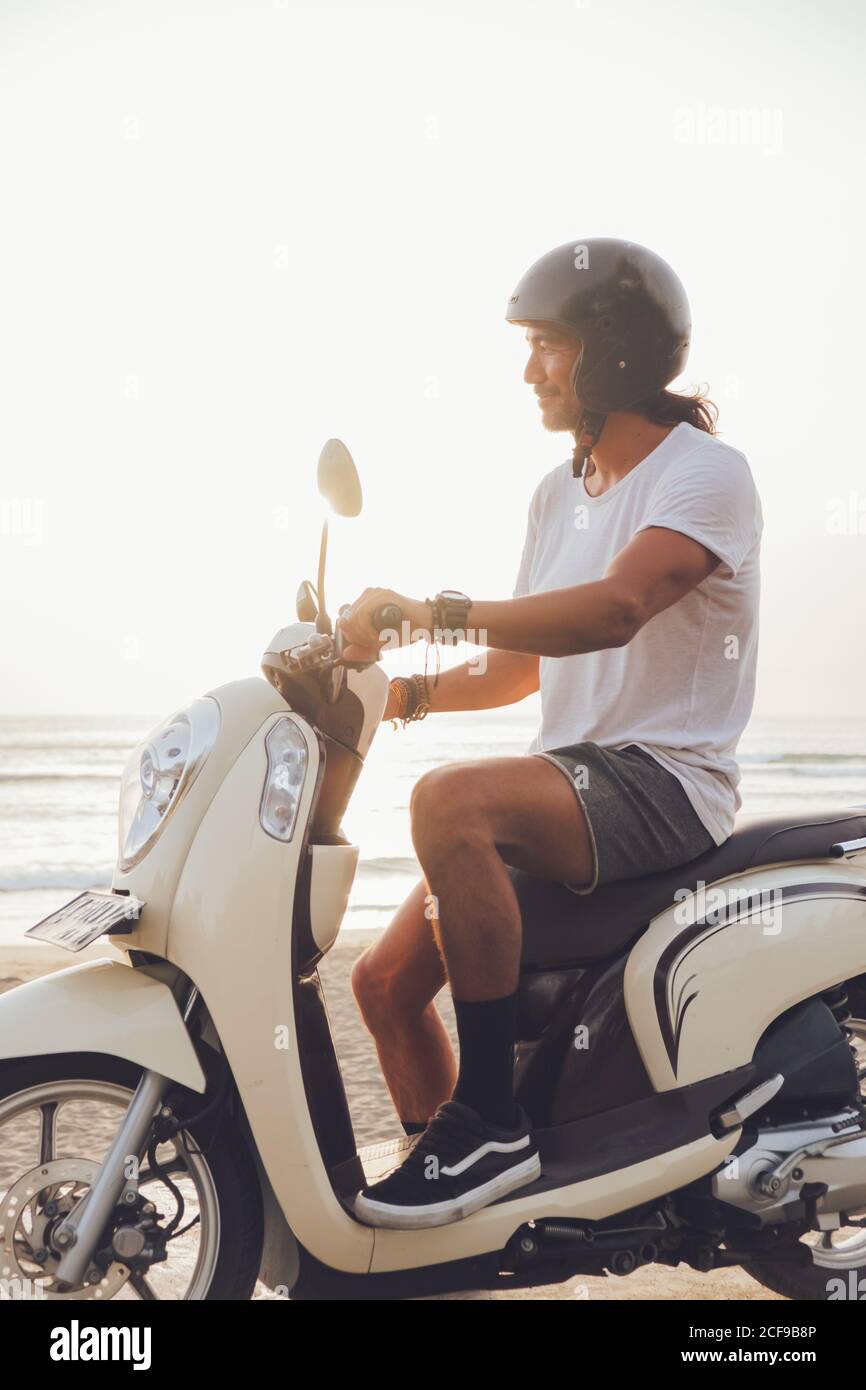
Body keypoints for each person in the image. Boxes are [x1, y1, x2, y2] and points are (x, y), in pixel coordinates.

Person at [338, 237, 763, 1230]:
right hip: (573, 780)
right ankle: (450, 1214)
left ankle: (488, 1122)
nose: (530, 370)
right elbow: (523, 665)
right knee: (385, 984)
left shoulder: (704, 474)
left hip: (663, 784)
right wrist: (396, 697)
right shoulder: (557, 492)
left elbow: (613, 611)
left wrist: (427, 610)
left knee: (451, 802)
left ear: (609, 353)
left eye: (547, 346)